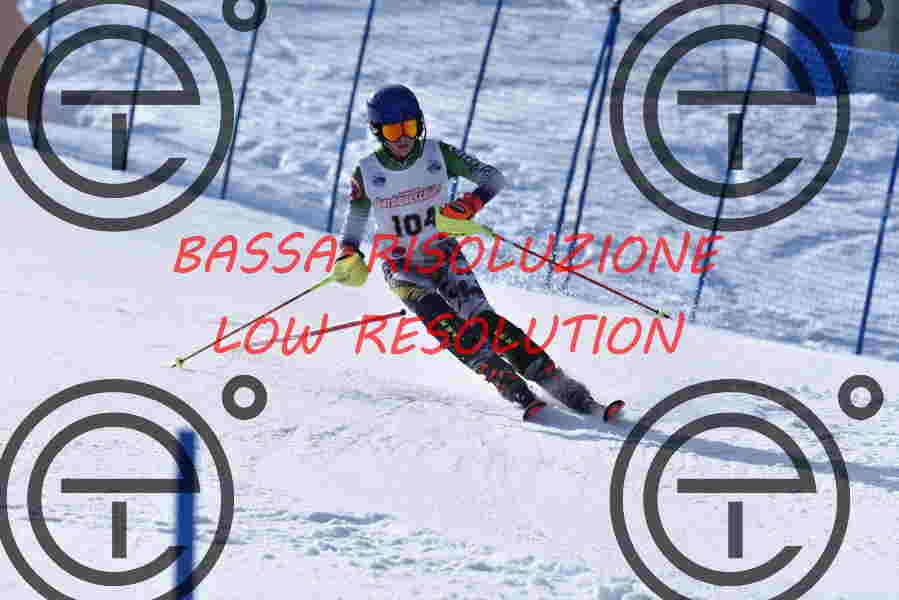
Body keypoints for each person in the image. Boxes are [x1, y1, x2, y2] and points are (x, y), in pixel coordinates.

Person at [333, 84, 619, 421]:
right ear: (378, 131)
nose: (404, 138)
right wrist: (348, 253)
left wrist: (471, 203)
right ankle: (510, 385)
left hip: (443, 254)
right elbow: (355, 219)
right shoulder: (367, 172)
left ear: (419, 123)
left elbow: (493, 178)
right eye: (394, 131)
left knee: (485, 322)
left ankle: (566, 389)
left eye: (409, 127)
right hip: (402, 267)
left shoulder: (438, 154)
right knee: (447, 325)